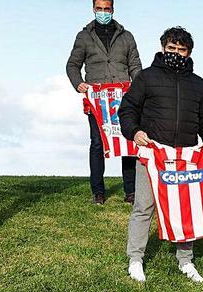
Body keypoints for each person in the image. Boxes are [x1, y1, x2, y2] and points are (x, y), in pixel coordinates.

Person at [119, 27, 203, 284]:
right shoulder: (146, 77)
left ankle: (185, 261)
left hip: (185, 158)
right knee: (144, 206)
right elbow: (127, 109)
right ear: (163, 48)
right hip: (152, 154)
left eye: (181, 50)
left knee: (185, 209)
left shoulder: (199, 85)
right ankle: (135, 258)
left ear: (189, 52)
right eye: (171, 48)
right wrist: (135, 131)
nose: (176, 53)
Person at [66, 0, 143, 205]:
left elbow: (135, 66)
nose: (103, 12)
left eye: (106, 9)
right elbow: (72, 65)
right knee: (97, 144)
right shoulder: (84, 37)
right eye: (99, 9)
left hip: (124, 100)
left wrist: (139, 86)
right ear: (93, 9)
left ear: (113, 9)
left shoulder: (127, 37)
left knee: (127, 144)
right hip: (97, 101)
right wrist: (79, 84)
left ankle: (131, 191)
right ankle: (98, 192)